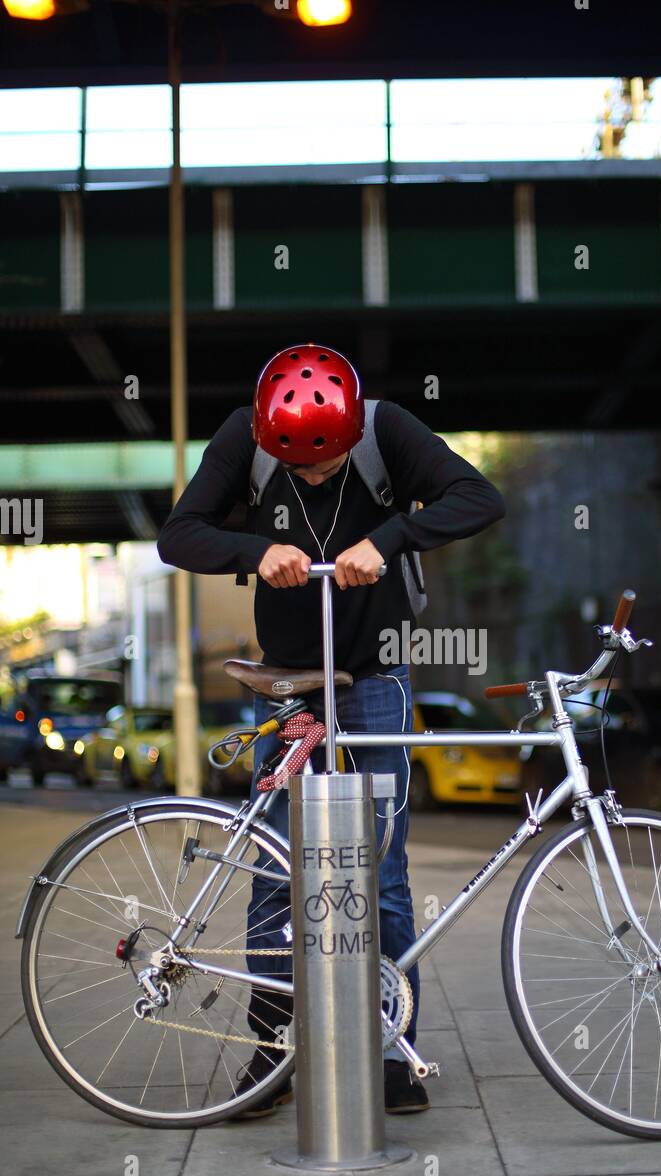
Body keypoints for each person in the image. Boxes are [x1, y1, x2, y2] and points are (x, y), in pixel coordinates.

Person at [157, 343, 505, 1117]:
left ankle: (389, 1050)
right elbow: (178, 534)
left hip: (376, 675)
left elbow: (479, 499)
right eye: (298, 467)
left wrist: (388, 541)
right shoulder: (241, 439)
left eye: (327, 464)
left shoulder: (387, 432)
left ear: (350, 431)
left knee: (380, 868)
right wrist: (259, 550)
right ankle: (272, 1052)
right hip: (290, 682)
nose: (314, 477)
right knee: (278, 869)